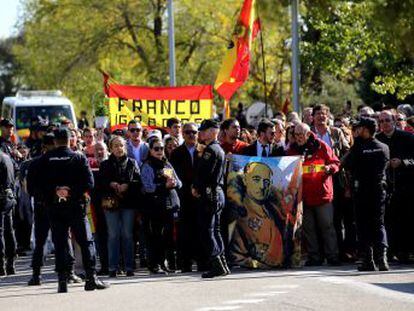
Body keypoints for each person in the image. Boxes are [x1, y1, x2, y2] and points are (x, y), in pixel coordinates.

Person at [36, 128, 107, 293]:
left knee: (60, 243)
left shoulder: (44, 159)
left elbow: (36, 186)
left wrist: (55, 191)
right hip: (76, 206)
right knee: (86, 242)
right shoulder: (78, 158)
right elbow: (89, 183)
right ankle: (91, 278)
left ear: (55, 141)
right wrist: (70, 191)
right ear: (70, 140)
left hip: (55, 208)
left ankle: (62, 280)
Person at [287, 123, 340, 266]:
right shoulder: (292, 150)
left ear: (308, 134)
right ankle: (314, 257)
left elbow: (336, 162)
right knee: (308, 229)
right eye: (295, 135)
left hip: (322, 194)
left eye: (300, 135)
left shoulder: (321, 146)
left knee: (327, 226)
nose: (297, 138)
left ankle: (332, 256)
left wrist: (330, 168)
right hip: (303, 197)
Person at [343, 118, 390, 271]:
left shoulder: (358, 148)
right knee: (379, 224)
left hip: (362, 191)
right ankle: (382, 259)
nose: (357, 130)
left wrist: (355, 142)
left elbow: (345, 163)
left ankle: (368, 260)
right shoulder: (384, 147)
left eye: (360, 128)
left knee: (363, 225)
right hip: (379, 190)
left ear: (366, 129)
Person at [192, 119, 229, 278]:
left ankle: (217, 264)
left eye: (204, 130)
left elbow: (203, 174)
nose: (201, 133)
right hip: (217, 192)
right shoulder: (217, 149)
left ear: (214, 131)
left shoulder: (211, 150)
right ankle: (222, 263)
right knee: (215, 230)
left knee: (207, 230)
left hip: (210, 193)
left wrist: (196, 188)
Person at [99, 136, 141, 277]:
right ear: (110, 148)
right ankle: (112, 267)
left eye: (121, 145)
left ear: (125, 147)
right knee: (113, 235)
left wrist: (127, 185)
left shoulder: (132, 163)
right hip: (111, 204)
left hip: (128, 203)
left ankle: (129, 266)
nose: (119, 148)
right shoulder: (105, 164)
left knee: (128, 235)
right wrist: (111, 184)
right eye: (115, 146)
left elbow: (138, 181)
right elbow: (100, 183)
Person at [376, 110, 414, 263]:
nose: (384, 123)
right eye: (382, 121)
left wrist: (403, 162)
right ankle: (391, 251)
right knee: (388, 220)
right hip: (386, 187)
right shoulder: (377, 139)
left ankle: (408, 251)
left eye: (387, 120)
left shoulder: (408, 138)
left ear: (394, 121)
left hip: (407, 186)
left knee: (407, 220)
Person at [141, 138, 182, 274]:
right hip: (154, 206)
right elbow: (148, 187)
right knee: (155, 236)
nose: (159, 151)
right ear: (150, 150)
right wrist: (164, 185)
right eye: (156, 149)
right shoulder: (148, 165)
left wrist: (173, 182)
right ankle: (155, 264)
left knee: (168, 236)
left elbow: (178, 183)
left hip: (169, 205)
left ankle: (166, 264)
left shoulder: (166, 164)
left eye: (161, 148)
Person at [170, 123, 203, 272]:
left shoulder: (204, 150)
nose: (191, 135)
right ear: (182, 134)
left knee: (201, 230)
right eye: (188, 132)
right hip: (183, 198)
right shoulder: (176, 153)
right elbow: (172, 174)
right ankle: (185, 264)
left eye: (194, 132)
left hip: (200, 196)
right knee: (184, 232)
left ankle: (202, 262)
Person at [0, 150, 17, 276]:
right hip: (9, 196)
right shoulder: (6, 157)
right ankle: (11, 264)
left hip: (2, 197)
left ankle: (1, 265)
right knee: (9, 231)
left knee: (1, 231)